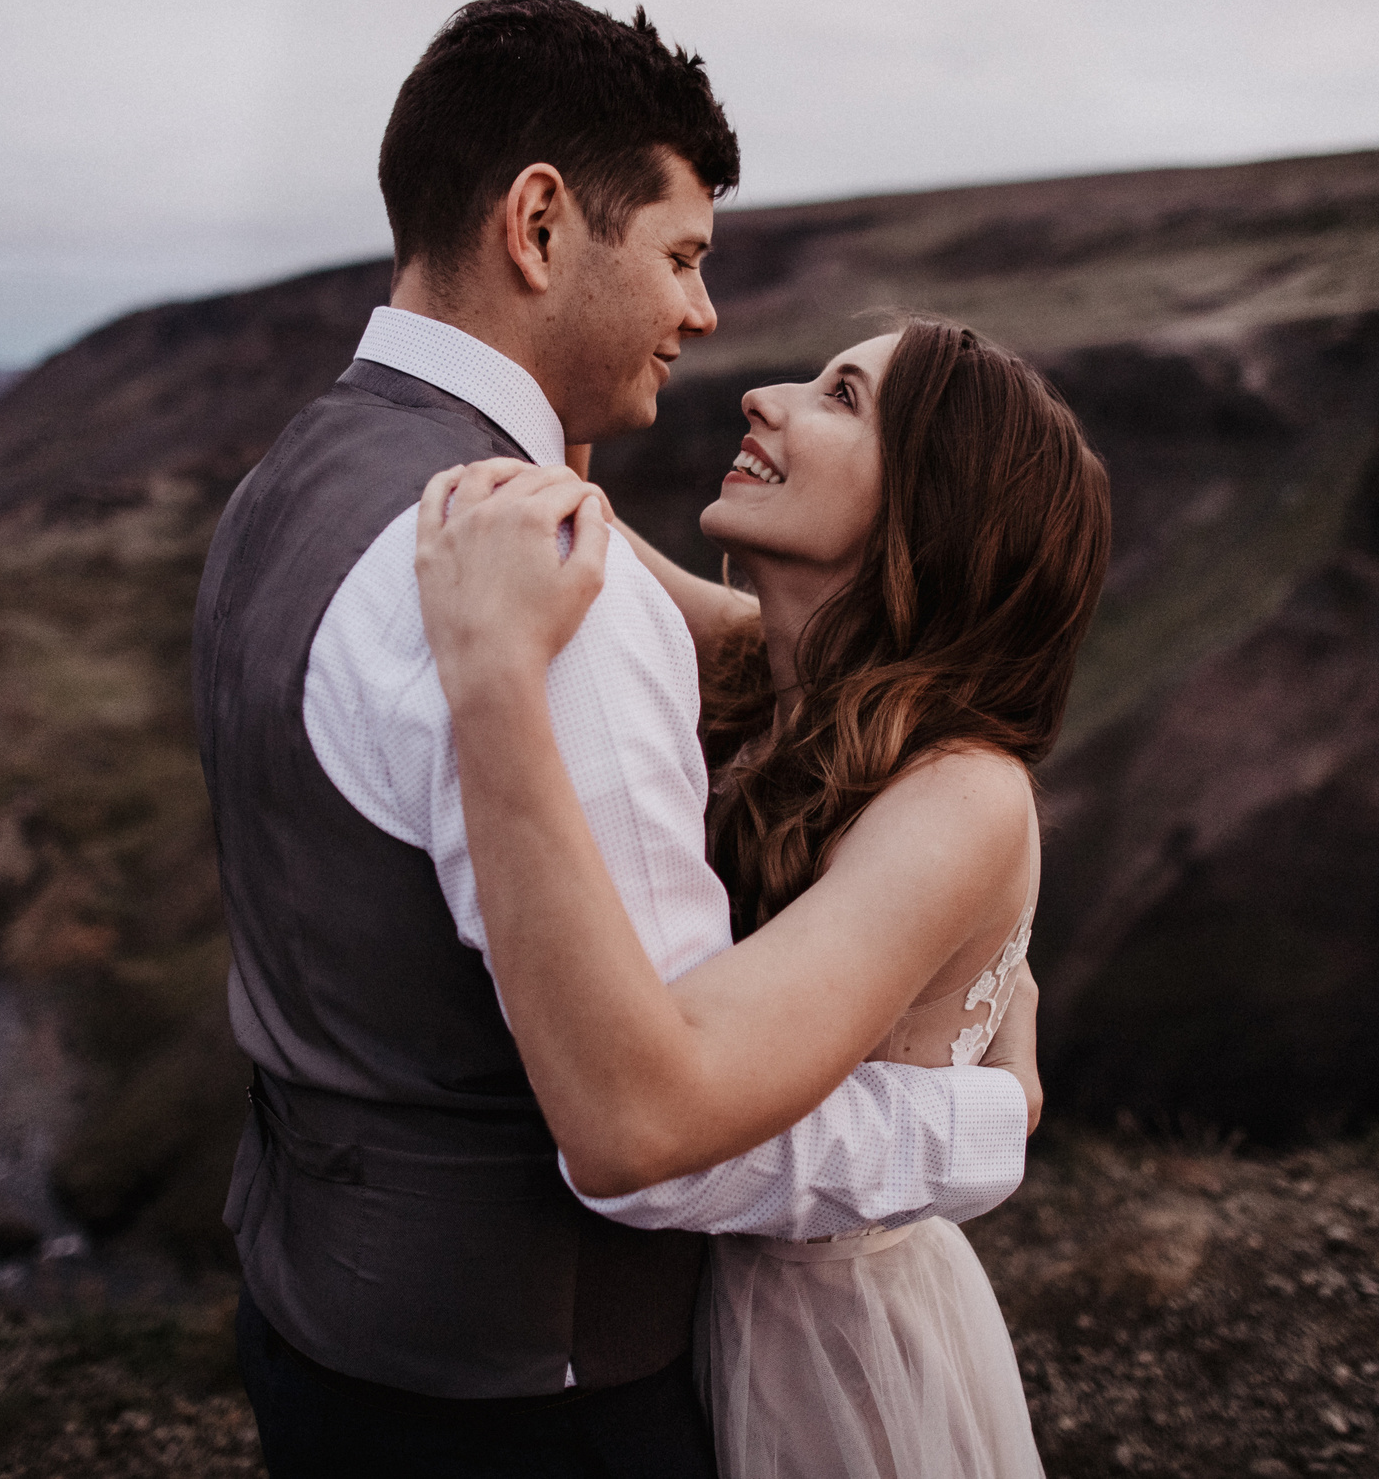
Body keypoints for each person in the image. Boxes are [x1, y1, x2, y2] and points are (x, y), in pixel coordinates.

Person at [192, 0, 1042, 1478]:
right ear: (538, 225)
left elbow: (777, 645)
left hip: (320, 1316)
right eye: (682, 254)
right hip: (536, 1397)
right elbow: (662, 1123)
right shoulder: (544, 586)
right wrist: (988, 1118)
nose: (708, 318)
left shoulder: (287, 485)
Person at [414, 315, 1113, 1478]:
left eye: (840, 397)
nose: (764, 399)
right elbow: (568, 499)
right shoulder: (774, 667)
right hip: (697, 1310)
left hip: (838, 1357)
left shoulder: (962, 794)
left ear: (933, 507)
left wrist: (492, 674)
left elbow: (662, 1117)